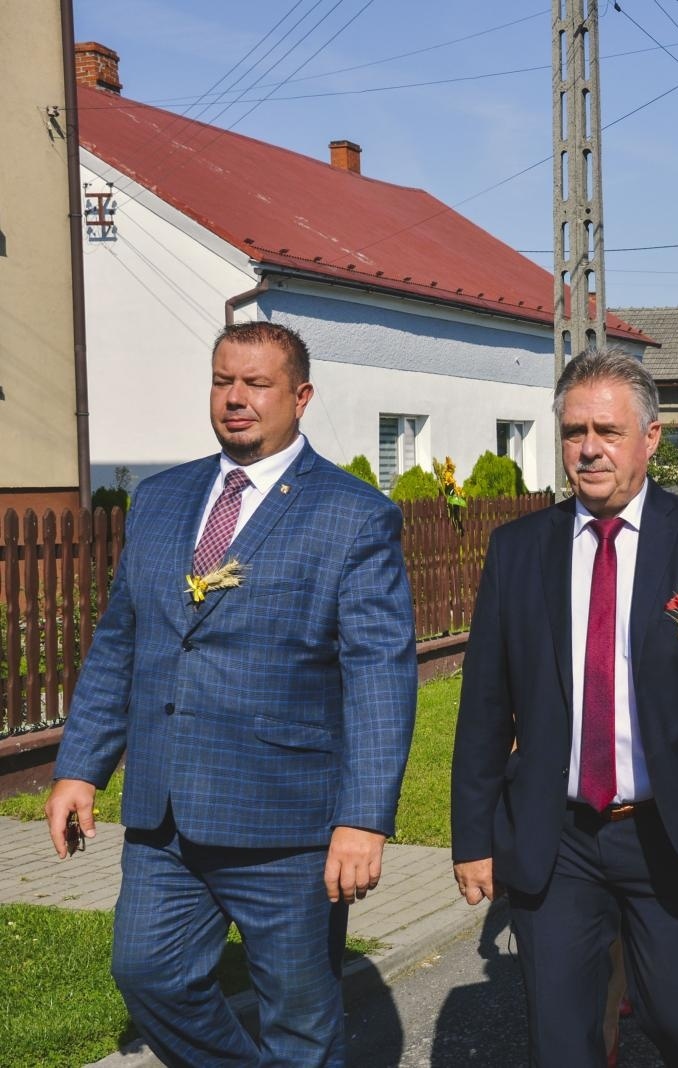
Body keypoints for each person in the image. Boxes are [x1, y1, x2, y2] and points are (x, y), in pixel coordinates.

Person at [44, 321, 418, 1066]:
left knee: (304, 1023)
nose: (235, 399)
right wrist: (81, 766)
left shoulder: (352, 515)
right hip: (165, 817)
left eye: (256, 384)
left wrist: (364, 821)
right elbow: (121, 642)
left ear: (301, 396)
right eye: (223, 381)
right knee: (147, 971)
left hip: (289, 825)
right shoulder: (159, 499)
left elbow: (381, 673)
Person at [451, 349, 678, 1066]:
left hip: (671, 831)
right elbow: (485, 706)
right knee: (561, 1039)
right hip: (559, 836)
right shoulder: (519, 550)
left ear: (649, 437)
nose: (588, 448)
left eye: (607, 430)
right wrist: (473, 837)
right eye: (574, 430)